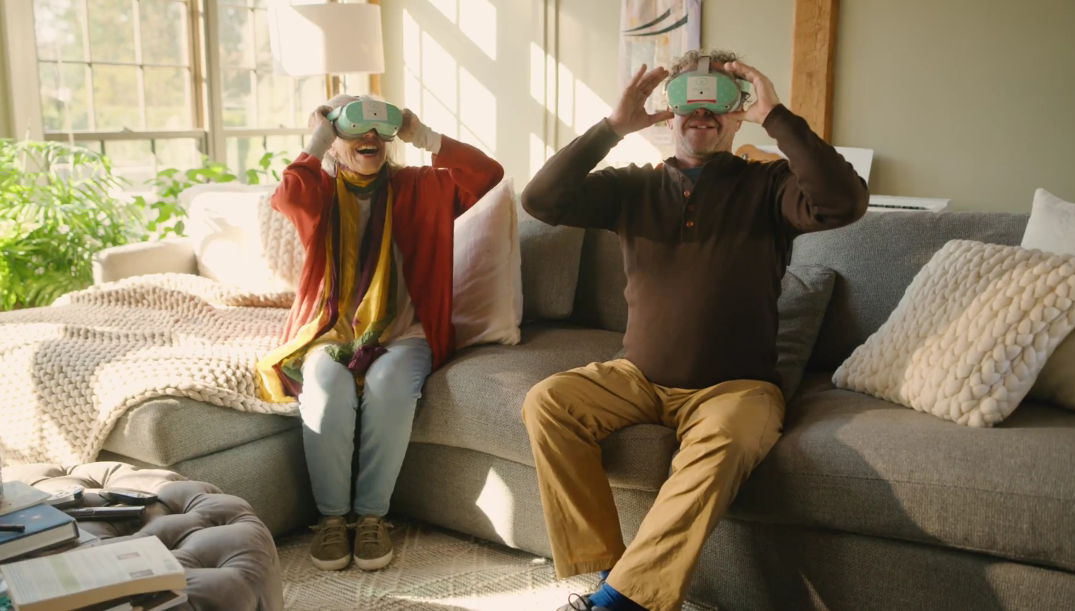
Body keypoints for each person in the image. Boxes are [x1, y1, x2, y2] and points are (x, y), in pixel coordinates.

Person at [520, 49, 869, 611]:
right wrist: (612, 127)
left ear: (737, 113)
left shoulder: (770, 186)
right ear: (668, 111)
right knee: (548, 402)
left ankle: (620, 603)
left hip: (737, 389)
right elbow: (540, 200)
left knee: (726, 441)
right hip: (637, 377)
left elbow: (844, 202)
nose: (701, 110)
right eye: (688, 97)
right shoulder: (631, 189)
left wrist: (776, 117)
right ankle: (612, 571)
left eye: (718, 99)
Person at [255, 94, 503, 572]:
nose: (369, 136)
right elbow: (287, 195)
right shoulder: (320, 192)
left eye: (377, 127)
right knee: (326, 388)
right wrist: (319, 138)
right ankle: (332, 519)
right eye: (352, 128)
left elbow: (486, 177)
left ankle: (371, 517)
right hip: (330, 331)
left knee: (389, 385)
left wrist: (423, 136)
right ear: (332, 141)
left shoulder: (420, 185)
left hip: (404, 331)